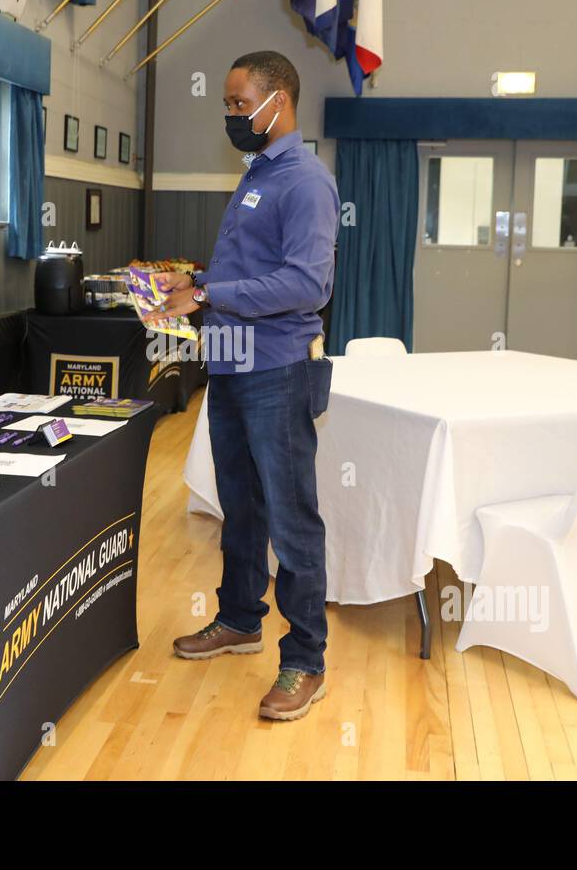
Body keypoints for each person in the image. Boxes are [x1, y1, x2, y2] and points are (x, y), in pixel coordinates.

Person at [147, 51, 340, 722]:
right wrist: (194, 290)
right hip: (229, 364)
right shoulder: (259, 172)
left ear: (276, 101)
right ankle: (239, 619)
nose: (230, 115)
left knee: (291, 520)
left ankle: (306, 659)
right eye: (226, 104)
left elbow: (307, 284)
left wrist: (211, 290)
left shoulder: (306, 181)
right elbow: (247, 272)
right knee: (242, 509)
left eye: (238, 104)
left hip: (276, 371)